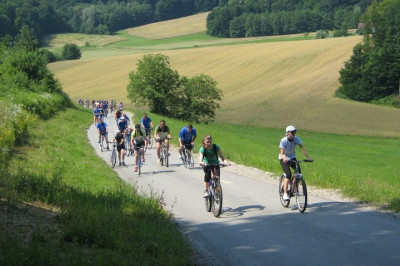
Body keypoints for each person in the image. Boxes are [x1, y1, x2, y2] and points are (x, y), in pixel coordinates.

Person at [279, 125, 312, 201]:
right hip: (283, 158)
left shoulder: (296, 139)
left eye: (295, 132)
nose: (294, 133)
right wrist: (284, 158)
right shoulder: (284, 140)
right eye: (292, 132)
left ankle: (294, 185)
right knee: (288, 174)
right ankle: (285, 194)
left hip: (292, 157)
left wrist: (308, 158)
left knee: (298, 172)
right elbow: (281, 152)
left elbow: (302, 148)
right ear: (288, 133)